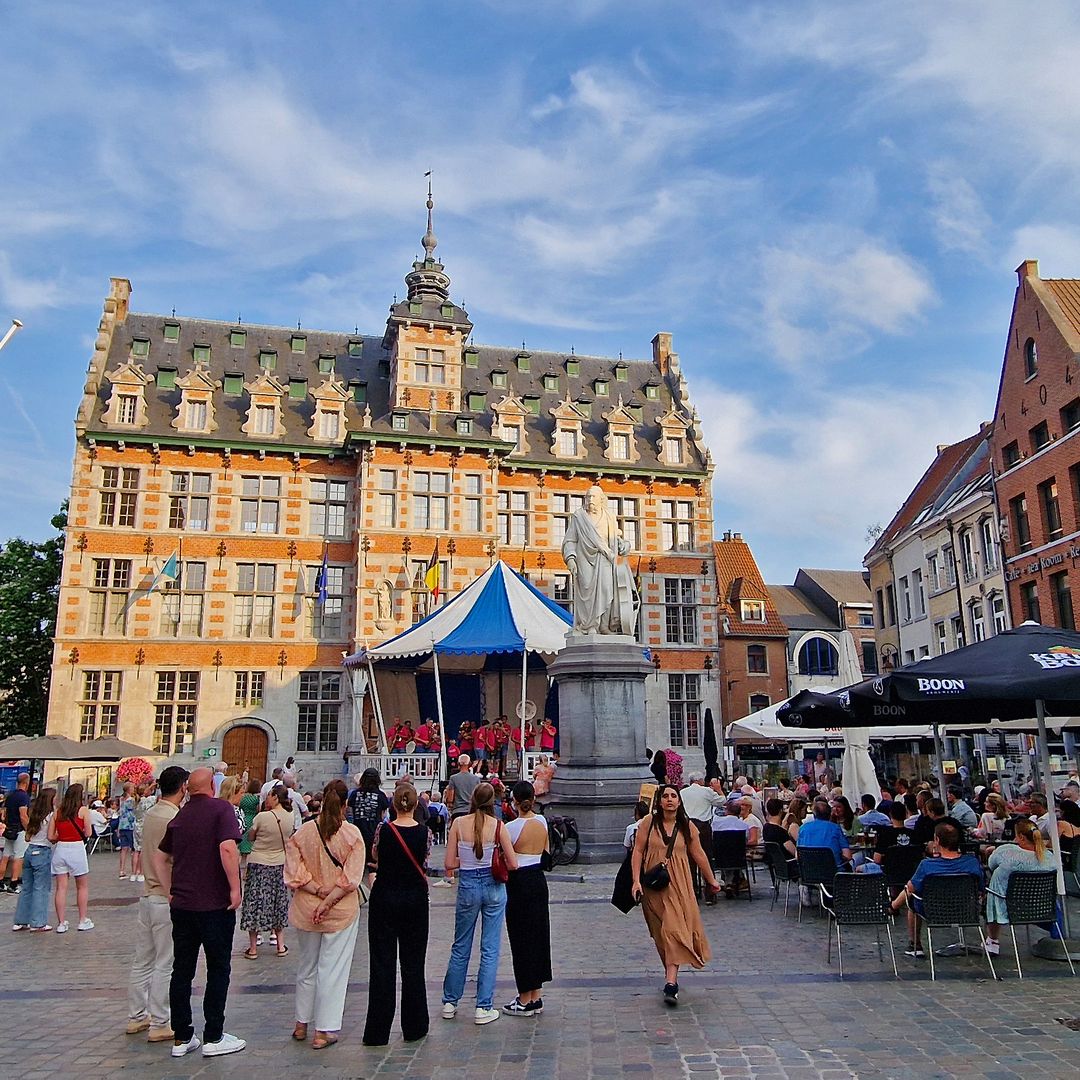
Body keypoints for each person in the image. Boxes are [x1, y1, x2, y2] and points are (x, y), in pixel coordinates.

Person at [156, 766, 245, 1059]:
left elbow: (160, 856)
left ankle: (182, 1036)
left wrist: (169, 890)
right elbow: (228, 848)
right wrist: (235, 888)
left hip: (182, 905)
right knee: (218, 968)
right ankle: (214, 1035)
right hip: (214, 904)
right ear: (212, 786)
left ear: (188, 789)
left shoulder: (181, 815)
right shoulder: (221, 809)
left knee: (182, 970)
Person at [285, 779, 366, 1050]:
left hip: (307, 906)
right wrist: (328, 900)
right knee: (332, 969)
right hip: (339, 910)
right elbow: (350, 879)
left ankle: (301, 1023)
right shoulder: (351, 834)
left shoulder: (303, 832)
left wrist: (317, 892)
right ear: (345, 804)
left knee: (307, 966)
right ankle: (324, 1029)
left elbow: (294, 872)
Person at [631, 785, 721, 1005]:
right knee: (660, 934)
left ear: (679, 801)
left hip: (679, 885)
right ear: (659, 801)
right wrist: (635, 881)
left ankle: (671, 984)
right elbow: (638, 851)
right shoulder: (648, 823)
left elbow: (699, 854)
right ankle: (669, 972)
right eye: (665, 796)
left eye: (673, 796)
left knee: (673, 930)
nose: (670, 799)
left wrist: (711, 880)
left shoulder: (687, 826)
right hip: (653, 886)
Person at [441, 782, 520, 1025]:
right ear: (492, 802)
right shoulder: (498, 826)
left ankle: (450, 1002)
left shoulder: (458, 824)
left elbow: (449, 863)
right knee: (490, 948)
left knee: (461, 945)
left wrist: (467, 860)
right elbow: (513, 863)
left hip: (468, 884)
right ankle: (483, 1006)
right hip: (493, 885)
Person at [363, 783, 431, 1046]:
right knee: (413, 963)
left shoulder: (383, 830)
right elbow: (424, 861)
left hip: (386, 896)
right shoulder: (424, 833)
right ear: (415, 805)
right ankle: (415, 1025)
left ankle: (378, 1031)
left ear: (393, 805)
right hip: (414, 898)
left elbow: (375, 854)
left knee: (382, 963)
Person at [127, 766, 188, 1044]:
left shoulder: (151, 813)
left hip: (147, 894)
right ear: (183, 787)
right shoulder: (175, 818)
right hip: (166, 895)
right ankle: (160, 1021)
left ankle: (136, 1015)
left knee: (143, 960)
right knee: (166, 961)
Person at [890, 821, 984, 959]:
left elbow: (910, 888)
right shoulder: (972, 862)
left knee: (912, 897)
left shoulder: (927, 865)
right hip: (966, 910)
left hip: (934, 912)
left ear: (937, 840)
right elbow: (981, 889)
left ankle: (915, 944)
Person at [561, 482, 638, 634]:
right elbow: (570, 540)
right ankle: (589, 626)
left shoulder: (609, 517)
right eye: (588, 497)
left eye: (593, 497)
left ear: (601, 499)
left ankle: (603, 626)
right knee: (587, 592)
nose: (590, 500)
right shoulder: (579, 517)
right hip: (584, 559)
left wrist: (623, 546)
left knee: (607, 590)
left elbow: (615, 539)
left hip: (605, 558)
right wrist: (570, 559)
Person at [502, 781, 551, 1016]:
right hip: (538, 880)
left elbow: (508, 860)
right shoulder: (542, 821)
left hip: (519, 881)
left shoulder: (510, 827)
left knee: (521, 939)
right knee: (539, 937)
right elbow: (547, 853)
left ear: (514, 801)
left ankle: (524, 998)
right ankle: (536, 995)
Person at [984, 818, 1058, 956]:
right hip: (1041, 907)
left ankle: (993, 940)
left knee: (993, 891)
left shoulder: (1006, 851)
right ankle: (1059, 937)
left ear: (1021, 837)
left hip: (1008, 907)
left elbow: (991, 864)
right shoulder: (1050, 857)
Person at [241, 784, 296, 960]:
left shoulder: (262, 816)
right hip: (279, 862)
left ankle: (253, 948)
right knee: (278, 902)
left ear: (276, 798)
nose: (267, 799)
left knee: (255, 902)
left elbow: (251, 836)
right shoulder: (290, 815)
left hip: (259, 861)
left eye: (270, 796)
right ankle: (280, 944)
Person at [49, 783, 94, 933]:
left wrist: (61, 835)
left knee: (61, 887)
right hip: (76, 848)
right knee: (82, 886)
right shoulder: (83, 810)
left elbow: (50, 836)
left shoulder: (58, 812)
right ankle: (82, 920)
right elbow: (88, 833)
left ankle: (61, 923)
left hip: (61, 848)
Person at [11, 785, 56, 932]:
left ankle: (21, 920)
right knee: (41, 888)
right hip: (43, 851)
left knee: (27, 888)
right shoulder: (51, 816)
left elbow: (27, 836)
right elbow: (51, 836)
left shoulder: (34, 814)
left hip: (30, 850)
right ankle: (38, 922)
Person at [347, 768, 390, 885]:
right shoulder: (381, 795)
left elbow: (350, 812)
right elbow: (383, 815)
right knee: (372, 865)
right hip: (374, 833)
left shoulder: (355, 794)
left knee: (357, 865)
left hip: (358, 832)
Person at [797, 799, 851, 871]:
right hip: (833, 872)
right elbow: (848, 856)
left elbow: (797, 856)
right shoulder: (835, 828)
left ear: (814, 814)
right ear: (830, 814)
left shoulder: (803, 828)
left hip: (809, 872)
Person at [0, 772, 31, 894]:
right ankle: (13, 883)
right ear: (26, 783)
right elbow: (23, 816)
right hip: (19, 830)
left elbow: (4, 814)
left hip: (9, 829)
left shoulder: (10, 796)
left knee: (6, 856)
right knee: (18, 857)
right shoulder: (24, 797)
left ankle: (1, 882)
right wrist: (29, 830)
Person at [443, 754, 481, 821]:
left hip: (458, 812)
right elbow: (478, 797)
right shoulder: (476, 779)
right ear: (469, 764)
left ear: (458, 763)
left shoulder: (453, 778)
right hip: (472, 811)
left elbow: (450, 799)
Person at [237, 780, 261, 865]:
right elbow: (258, 809)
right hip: (252, 819)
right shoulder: (256, 799)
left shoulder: (243, 797)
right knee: (250, 840)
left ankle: (241, 861)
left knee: (243, 838)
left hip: (243, 817)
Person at [118, 782, 137, 879]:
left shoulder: (121, 799)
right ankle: (134, 871)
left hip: (122, 825)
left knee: (124, 848)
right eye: (132, 788)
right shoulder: (131, 800)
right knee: (134, 849)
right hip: (130, 826)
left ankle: (121, 870)